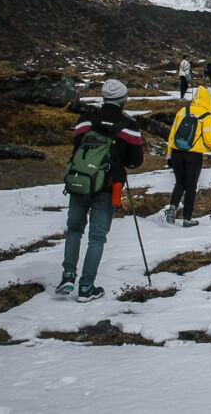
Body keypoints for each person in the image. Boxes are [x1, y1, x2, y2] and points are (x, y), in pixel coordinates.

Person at [57, 78, 144, 302]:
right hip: (107, 186)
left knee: (74, 229)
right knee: (97, 237)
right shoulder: (128, 126)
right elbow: (135, 161)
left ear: (104, 97)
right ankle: (86, 287)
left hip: (79, 183)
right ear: (123, 100)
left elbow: (77, 146)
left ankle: (67, 276)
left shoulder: (86, 119)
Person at [164, 85, 211, 227]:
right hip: (194, 156)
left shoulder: (183, 111)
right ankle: (187, 218)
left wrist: (169, 156)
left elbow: (172, 135)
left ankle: (172, 207)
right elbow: (208, 139)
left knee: (179, 183)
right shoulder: (206, 116)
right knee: (191, 186)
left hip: (177, 152)